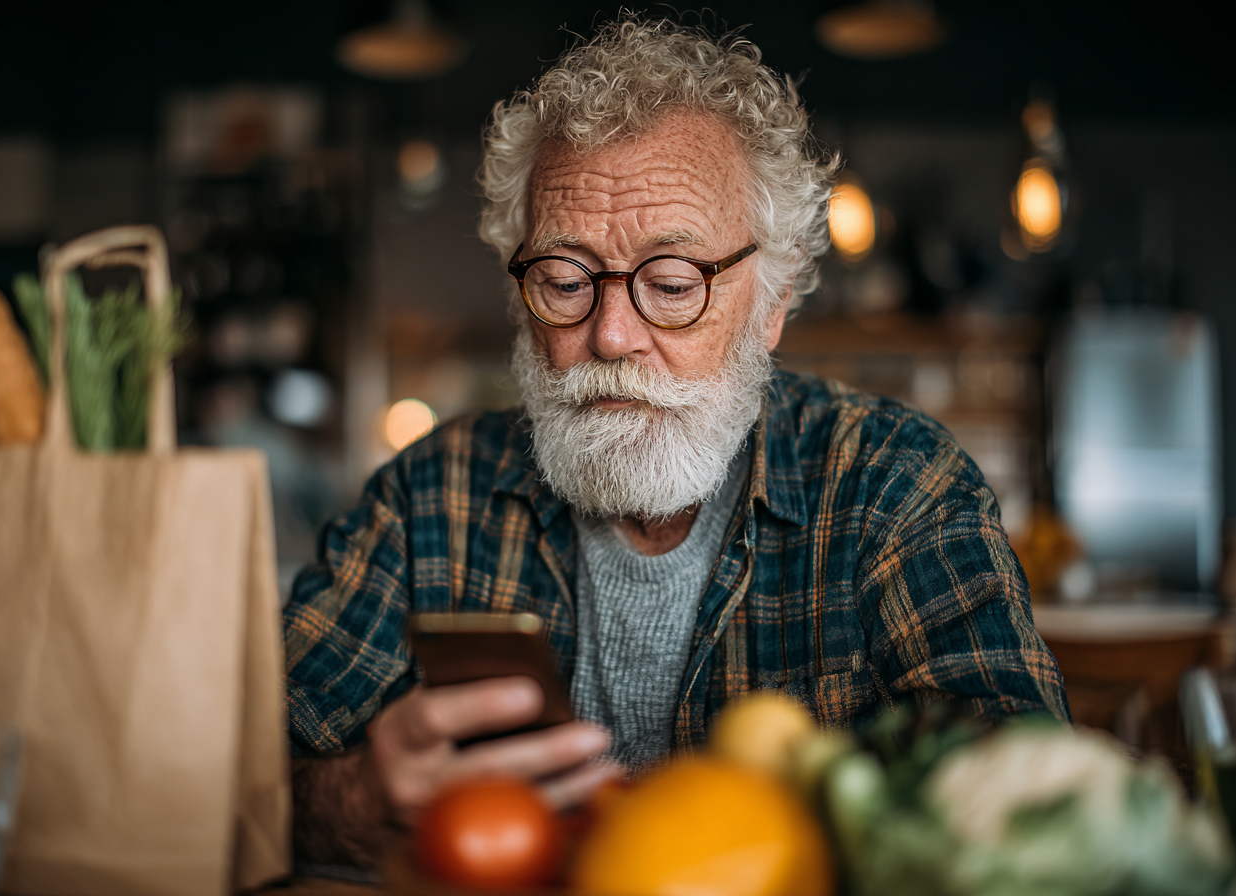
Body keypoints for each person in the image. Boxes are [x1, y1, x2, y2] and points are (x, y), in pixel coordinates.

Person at [284, 17, 1069, 866]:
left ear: (772, 299)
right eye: (563, 279)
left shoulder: (894, 487)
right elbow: (233, 779)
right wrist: (358, 797)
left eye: (670, 283)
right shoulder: (430, 496)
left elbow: (1035, 809)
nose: (613, 334)